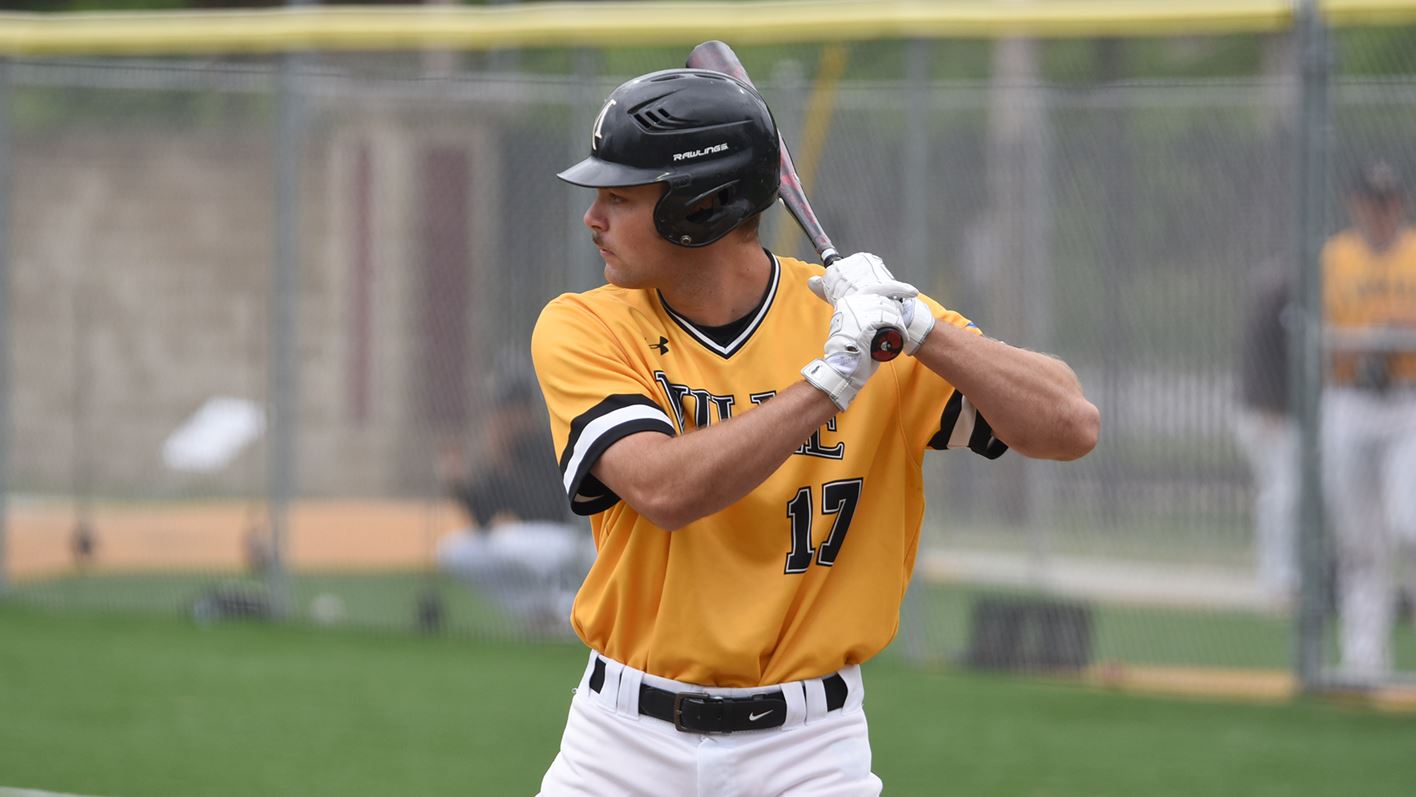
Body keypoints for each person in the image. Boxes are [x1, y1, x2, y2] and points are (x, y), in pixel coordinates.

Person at [530, 68, 1099, 795]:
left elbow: (1071, 426)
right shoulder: (585, 325)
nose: (593, 217)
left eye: (620, 196)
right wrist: (830, 383)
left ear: (700, 206)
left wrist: (924, 329)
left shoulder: (858, 321)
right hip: (621, 744)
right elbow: (664, 489)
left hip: (809, 750)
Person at [1321, 160, 1416, 681]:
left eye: (1388, 201)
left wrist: (1391, 330)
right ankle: (1364, 657)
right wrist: (1375, 336)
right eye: (1371, 201)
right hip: (1351, 398)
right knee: (1359, 539)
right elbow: (1321, 338)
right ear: (1356, 204)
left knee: (1409, 523)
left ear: (1399, 204)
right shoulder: (1336, 257)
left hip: (1407, 401)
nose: (1380, 210)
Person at [434, 376, 592, 631]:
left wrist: (509, 513)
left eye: (510, 411)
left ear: (526, 413)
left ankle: (563, 609)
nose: (504, 419)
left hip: (564, 538)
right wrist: (461, 486)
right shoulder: (504, 450)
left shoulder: (547, 444)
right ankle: (539, 613)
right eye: (501, 411)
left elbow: (550, 506)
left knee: (506, 539)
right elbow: (485, 519)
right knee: (454, 551)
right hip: (518, 541)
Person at [1233, 265, 1299, 603]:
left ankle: (1285, 576)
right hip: (1268, 411)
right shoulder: (1281, 290)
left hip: (1276, 410)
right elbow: (1262, 352)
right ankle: (1279, 579)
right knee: (1283, 495)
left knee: (1284, 495)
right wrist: (1267, 403)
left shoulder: (1289, 287)